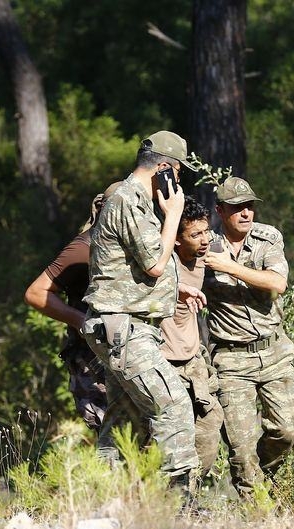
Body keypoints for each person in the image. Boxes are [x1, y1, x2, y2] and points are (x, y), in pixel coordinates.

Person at [82, 130, 204, 487]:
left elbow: (133, 268)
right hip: (124, 329)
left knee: (122, 420)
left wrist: (173, 291)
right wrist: (174, 214)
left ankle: (104, 496)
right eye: (178, 175)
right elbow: (153, 262)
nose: (177, 185)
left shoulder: (131, 199)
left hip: (124, 325)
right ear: (165, 170)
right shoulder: (128, 199)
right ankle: (180, 501)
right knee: (172, 404)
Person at [202, 176, 294, 497]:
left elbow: (277, 283)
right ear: (220, 211)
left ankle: (266, 476)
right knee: (241, 450)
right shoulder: (205, 244)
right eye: (237, 208)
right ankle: (256, 509)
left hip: (275, 353)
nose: (246, 213)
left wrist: (229, 267)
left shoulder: (267, 237)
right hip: (231, 360)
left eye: (249, 206)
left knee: (287, 431)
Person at [25, 189, 116, 431]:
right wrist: (81, 321)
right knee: (113, 437)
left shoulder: (131, 243)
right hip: (92, 358)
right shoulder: (85, 246)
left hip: (126, 353)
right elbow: (36, 293)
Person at [159, 196, 224, 480]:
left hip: (193, 358)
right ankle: (167, 499)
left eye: (206, 231)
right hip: (163, 360)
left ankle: (189, 494)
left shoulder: (205, 254)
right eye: (195, 234)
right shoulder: (162, 262)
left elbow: (236, 237)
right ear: (175, 239)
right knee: (173, 429)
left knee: (211, 421)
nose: (204, 239)